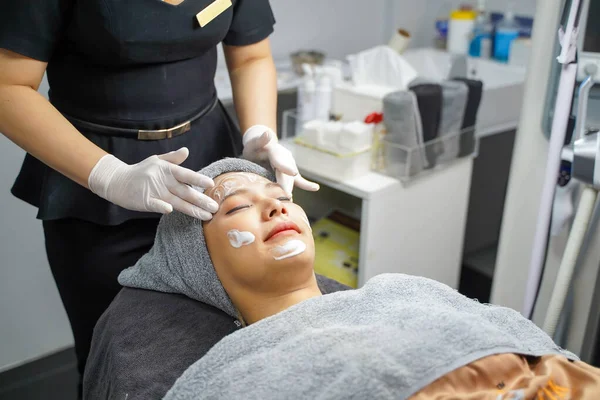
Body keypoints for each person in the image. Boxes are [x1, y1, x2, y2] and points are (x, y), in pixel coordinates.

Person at [0, 1, 319, 394]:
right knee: (111, 349)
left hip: (207, 156)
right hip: (95, 186)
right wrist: (110, 177)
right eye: (241, 204)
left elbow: (252, 55)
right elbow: (7, 85)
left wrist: (258, 131)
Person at [113, 158, 600, 400]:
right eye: (238, 206)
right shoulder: (231, 371)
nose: (276, 203)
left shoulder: (400, 290)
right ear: (200, 265)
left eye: (276, 192)